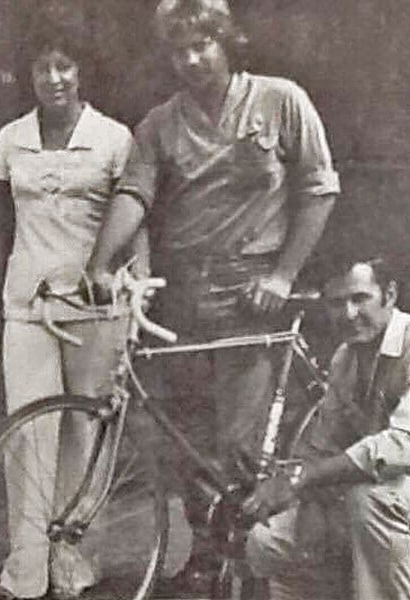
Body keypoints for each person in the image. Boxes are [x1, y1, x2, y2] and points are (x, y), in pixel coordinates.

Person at [83, 0, 339, 586]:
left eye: (203, 45)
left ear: (227, 44)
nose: (192, 59)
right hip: (183, 300)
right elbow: (134, 195)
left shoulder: (280, 100)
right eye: (180, 50)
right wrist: (99, 264)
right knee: (183, 440)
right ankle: (207, 551)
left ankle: (252, 568)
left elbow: (319, 189)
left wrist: (283, 275)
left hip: (253, 298)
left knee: (240, 447)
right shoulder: (159, 124)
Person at [0, 25, 149, 600]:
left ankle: (73, 562)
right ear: (29, 75)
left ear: (81, 73)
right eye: (43, 67)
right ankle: (23, 572)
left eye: (65, 67)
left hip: (97, 307)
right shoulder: (10, 138)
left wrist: (138, 292)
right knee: (28, 433)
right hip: (27, 302)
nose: (55, 78)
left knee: (86, 431)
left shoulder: (113, 138)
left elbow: (134, 219)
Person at [244, 257, 410, 599]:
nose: (348, 314)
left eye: (360, 298)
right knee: (269, 539)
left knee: (368, 503)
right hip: (381, 492)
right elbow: (324, 443)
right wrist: (289, 488)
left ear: (390, 295)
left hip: (389, 496)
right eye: (336, 303)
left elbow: (401, 444)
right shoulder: (345, 357)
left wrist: (305, 477)